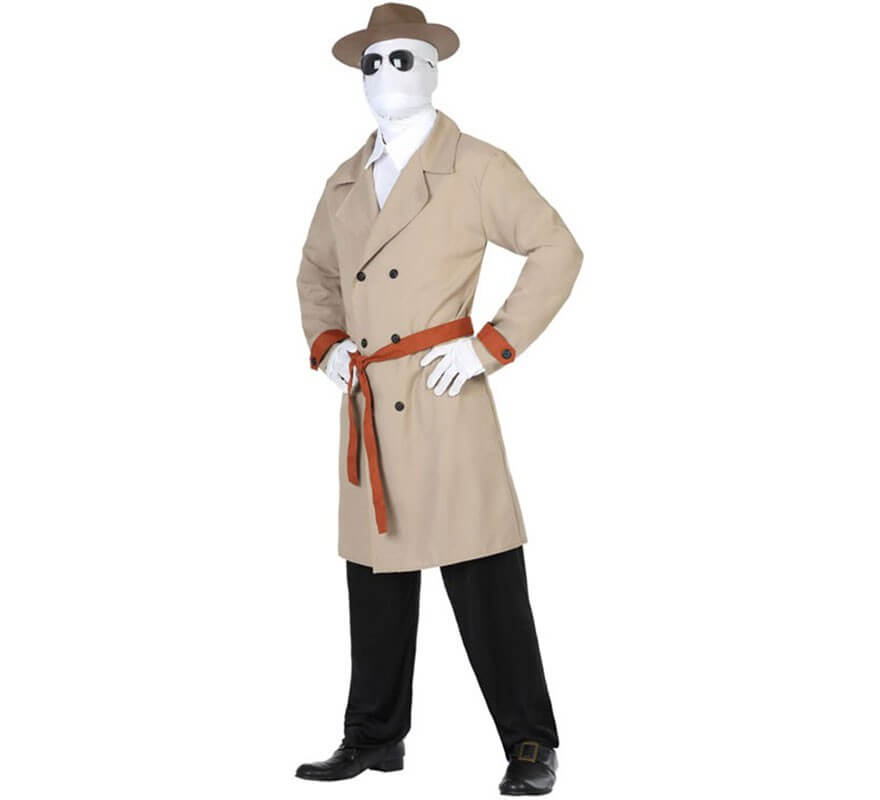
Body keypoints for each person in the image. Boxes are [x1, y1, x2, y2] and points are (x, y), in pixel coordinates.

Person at [294, 3, 583, 794]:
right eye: (371, 62)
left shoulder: (477, 166)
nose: (385, 74)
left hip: (443, 392)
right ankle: (373, 736)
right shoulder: (344, 180)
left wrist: (491, 344)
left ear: (431, 67)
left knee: (485, 575)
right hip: (368, 399)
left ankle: (531, 742)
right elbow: (315, 271)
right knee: (375, 580)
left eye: (401, 58)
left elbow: (557, 248)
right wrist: (328, 343)